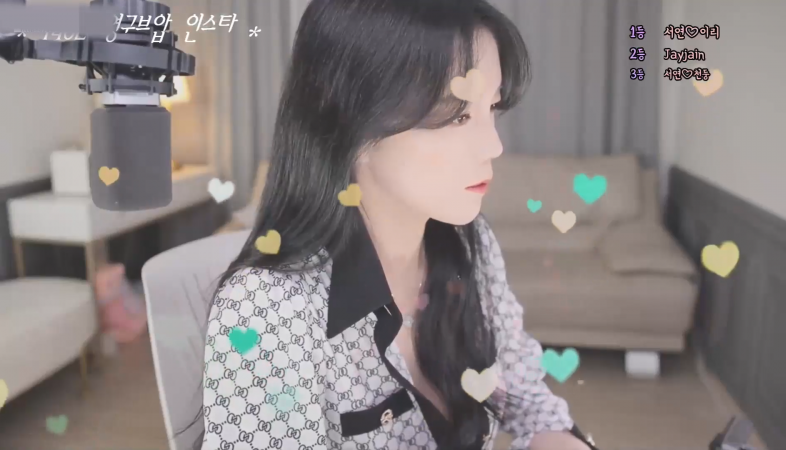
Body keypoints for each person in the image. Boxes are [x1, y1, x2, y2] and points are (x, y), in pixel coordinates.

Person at [198, 0, 596, 449]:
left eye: (493, 108)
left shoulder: (471, 246)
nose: (493, 145)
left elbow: (528, 400)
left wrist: (560, 439)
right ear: (350, 118)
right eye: (457, 114)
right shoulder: (267, 308)